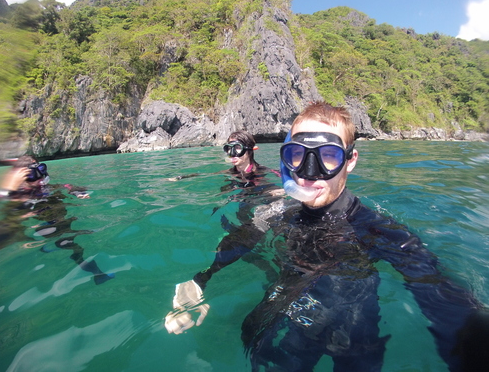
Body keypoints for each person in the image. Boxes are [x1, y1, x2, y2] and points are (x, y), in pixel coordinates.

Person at [164, 102, 488, 371]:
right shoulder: (280, 213)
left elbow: (440, 294)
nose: (309, 171)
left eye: (328, 156)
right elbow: (243, 238)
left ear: (351, 160)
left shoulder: (375, 228)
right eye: (297, 155)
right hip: (286, 320)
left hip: (353, 332)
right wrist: (201, 279)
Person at [0, 156, 114, 285]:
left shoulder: (45, 188)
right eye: (33, 175)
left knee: (77, 241)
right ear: (20, 177)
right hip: (53, 225)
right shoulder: (20, 195)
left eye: (41, 171)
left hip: (61, 220)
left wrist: (77, 193)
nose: (40, 178)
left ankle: (95, 272)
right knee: (74, 247)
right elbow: (4, 211)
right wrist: (12, 190)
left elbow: (67, 186)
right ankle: (98, 274)